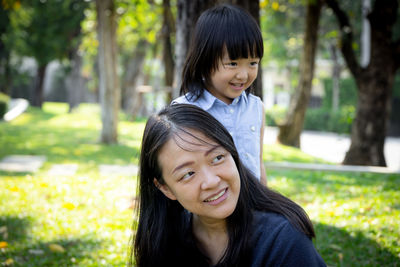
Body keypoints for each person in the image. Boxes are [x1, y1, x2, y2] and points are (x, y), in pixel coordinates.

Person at [130, 104, 326, 267]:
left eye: (217, 158)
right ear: (165, 188)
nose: (212, 181)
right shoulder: (165, 241)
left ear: (233, 154)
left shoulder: (283, 240)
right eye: (188, 174)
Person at [172, 4, 267, 185]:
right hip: (208, 205)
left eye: (253, 63)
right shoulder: (183, 111)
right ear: (206, 60)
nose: (243, 75)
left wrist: (266, 206)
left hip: (251, 207)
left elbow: (259, 163)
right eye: (232, 63)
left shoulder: (256, 108)